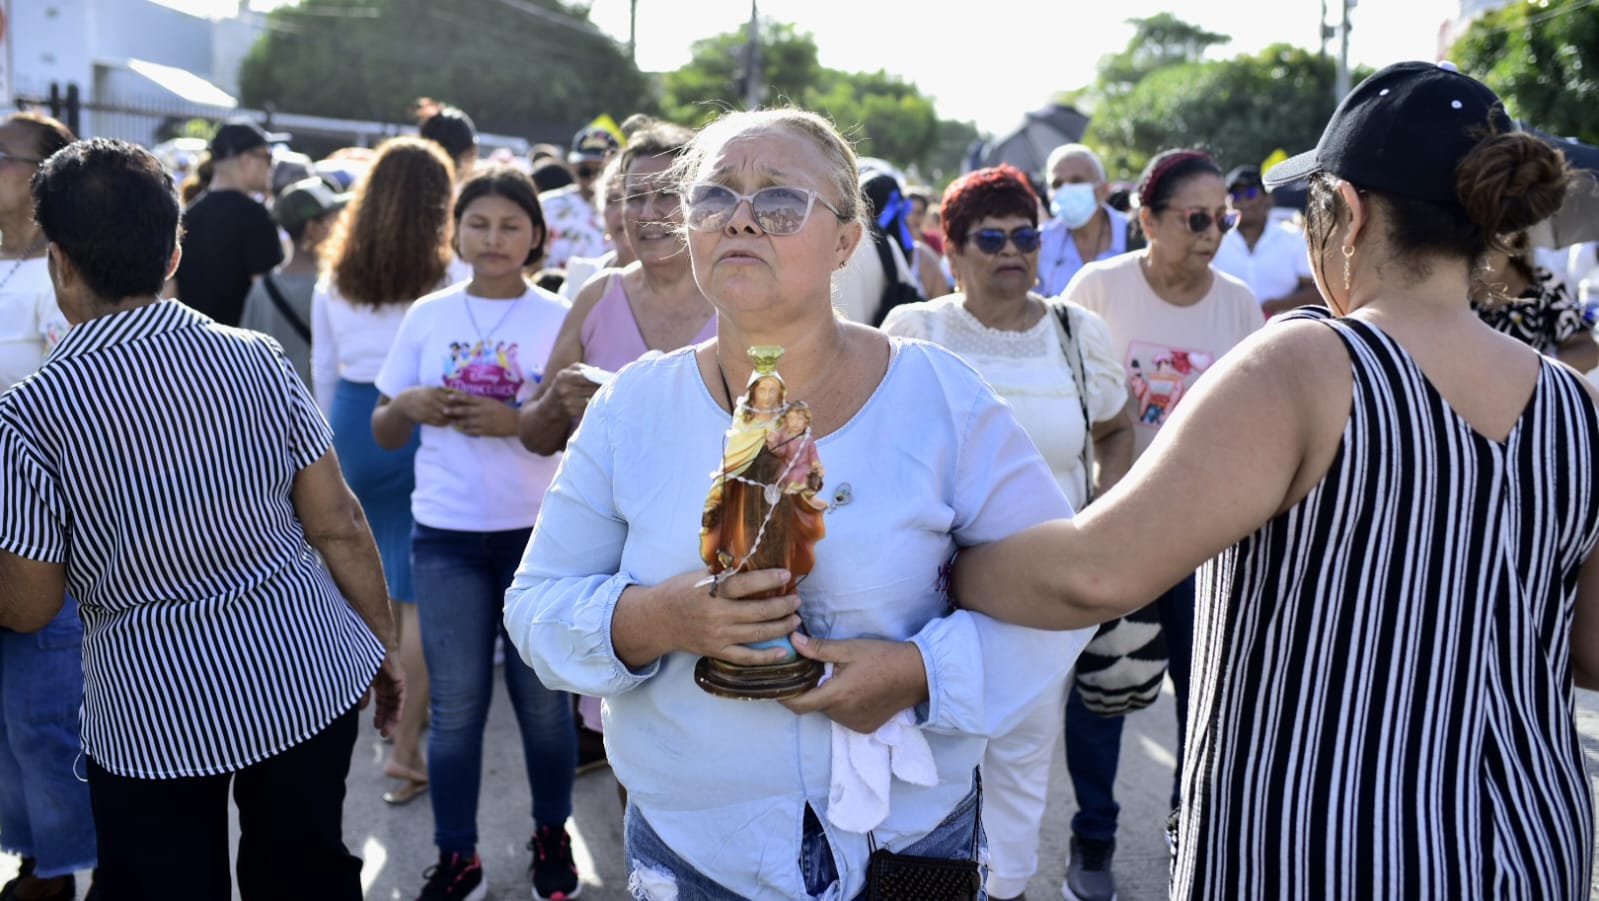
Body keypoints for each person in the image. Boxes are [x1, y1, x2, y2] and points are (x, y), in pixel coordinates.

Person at [953, 62, 1594, 900]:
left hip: (1320, 846)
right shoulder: (1575, 407)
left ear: (1349, 216)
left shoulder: (1312, 362)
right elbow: (1588, 652)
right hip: (1534, 846)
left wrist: (950, 566)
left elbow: (1094, 571)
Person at [504, 107, 1087, 901]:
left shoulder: (937, 397)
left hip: (908, 834)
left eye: (779, 201)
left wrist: (920, 670)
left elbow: (1060, 595)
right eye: (713, 198)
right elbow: (535, 605)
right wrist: (657, 618)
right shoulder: (634, 406)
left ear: (845, 240)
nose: (739, 217)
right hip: (696, 847)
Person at [0, 136, 402, 901]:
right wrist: (380, 641)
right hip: (302, 670)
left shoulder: (29, 416)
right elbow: (339, 523)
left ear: (60, 262)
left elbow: (29, 602)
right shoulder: (255, 358)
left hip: (148, 714)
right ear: (173, 251)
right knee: (307, 877)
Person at [880, 163, 1133, 901]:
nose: (1009, 251)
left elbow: (1115, 431)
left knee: (1023, 755)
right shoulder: (915, 331)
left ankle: (1007, 887)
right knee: (928, 758)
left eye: (1024, 235)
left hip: (1043, 595)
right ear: (951, 250)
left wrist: (1098, 520)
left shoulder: (1074, 331)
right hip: (929, 591)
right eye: (988, 237)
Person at [1047, 147, 1261, 901]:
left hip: (1205, 538)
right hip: (1113, 527)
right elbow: (1065, 396)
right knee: (1104, 688)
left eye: (1222, 218)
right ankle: (1092, 841)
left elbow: (1253, 423)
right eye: (1195, 218)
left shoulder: (1236, 302)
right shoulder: (1096, 288)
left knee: (1201, 695)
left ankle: (1186, 835)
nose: (1211, 232)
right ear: (1146, 219)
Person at [371, 166, 581, 901]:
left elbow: (579, 434)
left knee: (543, 703)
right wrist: (412, 404)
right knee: (457, 706)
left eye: (510, 225)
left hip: (538, 540)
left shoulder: (559, 316)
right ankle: (457, 855)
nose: (494, 239)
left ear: (536, 235)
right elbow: (383, 429)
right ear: (455, 232)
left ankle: (552, 834)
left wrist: (516, 424)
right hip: (445, 535)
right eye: (479, 224)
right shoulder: (427, 315)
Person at [312, 136, 458, 809]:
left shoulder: (334, 277)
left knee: (363, 583)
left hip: (349, 422)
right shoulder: (449, 277)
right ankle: (405, 750)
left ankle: (367, 723)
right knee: (416, 592)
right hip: (420, 423)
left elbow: (321, 372)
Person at [0, 110, 93, 901]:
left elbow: (68, 415)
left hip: (36, 526)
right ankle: (32, 851)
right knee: (6, 717)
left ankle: (65, 865)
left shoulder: (57, 284)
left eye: (0, 155)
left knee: (42, 714)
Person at [519, 122, 712, 456]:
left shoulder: (738, 304)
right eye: (635, 197)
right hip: (600, 508)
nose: (649, 213)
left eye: (667, 195)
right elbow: (534, 437)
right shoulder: (599, 295)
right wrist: (557, 402)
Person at [171, 118, 287, 326]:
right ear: (246, 160)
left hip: (191, 348)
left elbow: (170, 293)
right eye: (268, 157)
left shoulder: (186, 216)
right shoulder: (256, 218)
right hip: (242, 350)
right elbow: (268, 299)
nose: (272, 167)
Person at [242, 176, 348, 385]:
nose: (341, 224)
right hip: (323, 409)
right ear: (311, 228)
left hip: (274, 410)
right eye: (333, 218)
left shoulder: (262, 289)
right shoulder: (335, 286)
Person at [1471, 229, 1599, 370]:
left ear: (1515, 235)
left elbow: (1588, 350)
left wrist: (1536, 370)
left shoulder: (1545, 285)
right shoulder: (1448, 291)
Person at [1210, 165, 1319, 315]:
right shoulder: (1215, 239)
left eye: (1250, 193)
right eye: (1235, 196)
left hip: (1281, 331)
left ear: (1267, 198)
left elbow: (1317, 289)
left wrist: (1281, 305)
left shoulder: (1293, 238)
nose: (1243, 202)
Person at [1036, 144, 1139, 299]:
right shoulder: (1039, 243)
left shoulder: (1136, 236)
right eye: (1057, 184)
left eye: (1077, 181)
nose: (1066, 190)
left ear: (1103, 189)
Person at [541, 126, 618, 271]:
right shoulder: (547, 205)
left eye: (602, 171)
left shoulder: (629, 210)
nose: (593, 178)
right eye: (585, 171)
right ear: (573, 167)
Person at [559, 155, 635, 302]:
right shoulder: (582, 276)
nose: (622, 211)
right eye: (613, 200)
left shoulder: (688, 278)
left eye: (633, 198)